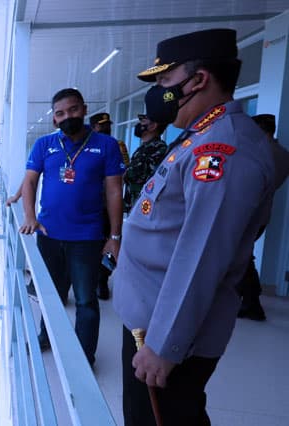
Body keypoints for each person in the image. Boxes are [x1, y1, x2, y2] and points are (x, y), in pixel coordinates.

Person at [112, 28, 288, 425]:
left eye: (164, 80)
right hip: (150, 319)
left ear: (198, 80)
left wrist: (164, 346)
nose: (158, 92)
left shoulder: (222, 150)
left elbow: (202, 256)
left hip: (163, 334)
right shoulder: (199, 136)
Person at [19, 88, 124, 365]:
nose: (68, 117)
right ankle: (46, 336)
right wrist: (30, 217)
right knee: (50, 295)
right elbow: (30, 181)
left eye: (73, 109)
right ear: (54, 118)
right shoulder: (44, 144)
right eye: (60, 113)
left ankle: (84, 355)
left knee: (85, 301)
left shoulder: (106, 145)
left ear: (84, 109)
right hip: (48, 234)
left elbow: (115, 191)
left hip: (87, 237)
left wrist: (115, 235)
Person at [236, 113, 288, 321]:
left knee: (241, 256)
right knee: (244, 255)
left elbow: (251, 184)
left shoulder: (265, 153)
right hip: (259, 213)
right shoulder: (281, 153)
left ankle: (251, 303)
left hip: (249, 212)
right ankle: (251, 299)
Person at [89, 112, 128, 300]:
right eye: (101, 125)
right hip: (88, 204)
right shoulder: (84, 146)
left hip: (108, 205)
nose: (106, 128)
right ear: (93, 127)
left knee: (109, 242)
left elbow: (125, 172)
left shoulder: (117, 145)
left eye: (108, 125)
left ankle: (102, 280)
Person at [122, 114, 168, 213]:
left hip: (147, 208)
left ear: (153, 126)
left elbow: (139, 174)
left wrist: (125, 172)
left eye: (143, 121)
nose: (139, 124)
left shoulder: (159, 149)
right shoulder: (143, 148)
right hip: (135, 206)